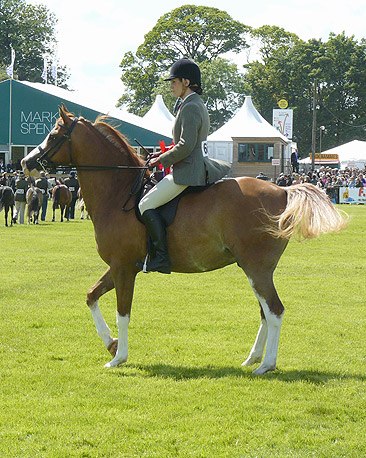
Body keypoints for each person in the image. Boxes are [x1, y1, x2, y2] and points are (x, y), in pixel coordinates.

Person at [137, 57, 231, 274]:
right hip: (190, 163)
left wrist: (161, 160)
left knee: (145, 205)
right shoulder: (191, 104)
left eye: (174, 81)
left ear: (186, 82)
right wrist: (162, 153)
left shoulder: (190, 106)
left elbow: (187, 146)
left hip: (188, 170)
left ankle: (160, 258)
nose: (170, 86)